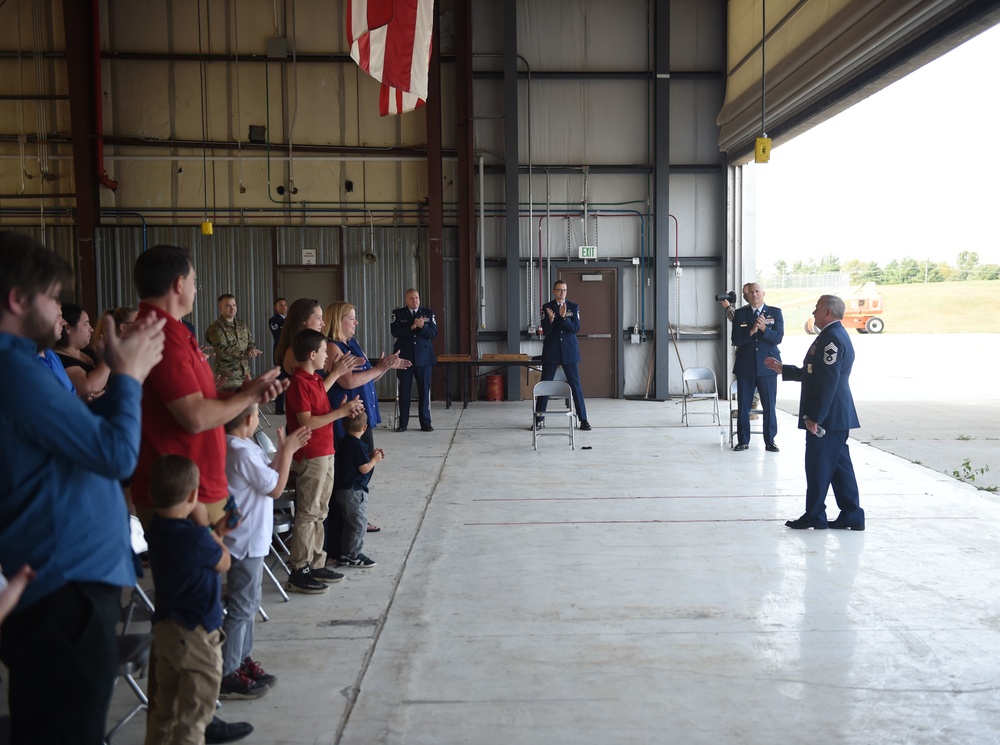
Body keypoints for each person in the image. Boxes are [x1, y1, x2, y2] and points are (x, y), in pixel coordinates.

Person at [0, 230, 166, 744]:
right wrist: (129, 375)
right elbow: (114, 452)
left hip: (63, 582)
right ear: (17, 300)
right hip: (61, 591)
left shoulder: (23, 366)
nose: (59, 312)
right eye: (51, 296)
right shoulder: (13, 371)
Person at [131, 244, 283, 744]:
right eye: (194, 280)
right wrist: (244, 397)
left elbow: (207, 403)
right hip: (182, 497)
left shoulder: (179, 335)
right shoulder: (164, 338)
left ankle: (194, 709)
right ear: (178, 284)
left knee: (202, 605)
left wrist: (248, 393)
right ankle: (190, 715)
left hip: (201, 490)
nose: (197, 288)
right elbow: (193, 416)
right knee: (193, 613)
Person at [144, 455, 239, 743]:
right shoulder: (194, 537)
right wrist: (209, 529)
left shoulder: (156, 531)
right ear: (194, 495)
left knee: (164, 710)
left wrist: (213, 532)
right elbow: (224, 562)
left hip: (166, 631)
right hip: (196, 632)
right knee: (194, 716)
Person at [221, 404, 310, 699]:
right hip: (245, 541)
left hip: (250, 538)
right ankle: (228, 671)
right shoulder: (240, 450)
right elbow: (274, 488)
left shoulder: (242, 445)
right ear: (248, 419)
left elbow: (267, 476)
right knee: (241, 607)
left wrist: (283, 455)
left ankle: (242, 660)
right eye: (257, 413)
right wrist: (286, 452)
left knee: (248, 603)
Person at [764, 295, 865, 531]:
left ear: (828, 312)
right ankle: (852, 514)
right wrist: (785, 370)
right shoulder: (832, 335)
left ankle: (815, 515)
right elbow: (815, 371)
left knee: (818, 465)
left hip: (828, 416)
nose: (813, 313)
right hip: (837, 414)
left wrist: (816, 417)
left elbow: (828, 381)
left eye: (817, 309)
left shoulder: (831, 338)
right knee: (840, 468)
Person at [323, 301, 409, 547]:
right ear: (338, 320)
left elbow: (366, 376)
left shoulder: (351, 344)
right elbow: (348, 382)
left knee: (365, 466)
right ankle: (349, 518)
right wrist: (379, 368)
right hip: (347, 420)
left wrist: (384, 368)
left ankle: (357, 514)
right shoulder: (332, 346)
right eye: (351, 318)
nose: (356, 322)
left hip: (361, 417)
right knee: (351, 473)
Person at [284, 328, 364, 593]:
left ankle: (316, 562)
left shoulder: (313, 379)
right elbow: (307, 421)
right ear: (311, 354)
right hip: (312, 454)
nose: (327, 358)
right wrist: (340, 412)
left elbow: (321, 391)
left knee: (321, 510)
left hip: (325, 451)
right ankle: (300, 568)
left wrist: (336, 376)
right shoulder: (298, 383)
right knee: (308, 513)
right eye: (323, 353)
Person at [731, 282, 783, 452]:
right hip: (746, 366)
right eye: (752, 292)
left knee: (769, 405)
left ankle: (770, 441)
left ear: (764, 293)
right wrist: (752, 331)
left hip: (768, 366)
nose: (755, 294)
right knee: (744, 405)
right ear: (747, 295)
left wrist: (764, 329)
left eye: (758, 291)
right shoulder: (740, 314)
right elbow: (736, 340)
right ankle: (743, 440)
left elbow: (778, 338)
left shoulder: (775, 312)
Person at [535, 279, 591, 430]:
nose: (562, 293)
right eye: (559, 290)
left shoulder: (573, 307)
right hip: (552, 350)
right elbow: (545, 331)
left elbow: (575, 328)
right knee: (545, 384)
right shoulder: (547, 307)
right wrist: (551, 321)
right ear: (554, 291)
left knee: (575, 385)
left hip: (569, 351)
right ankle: (538, 419)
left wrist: (564, 318)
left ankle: (583, 419)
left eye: (564, 290)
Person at [333, 411, 383, 568]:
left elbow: (352, 461)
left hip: (341, 490)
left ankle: (344, 552)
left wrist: (368, 456)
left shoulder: (342, 442)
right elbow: (363, 468)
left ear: (343, 425)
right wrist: (374, 460)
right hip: (354, 491)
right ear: (365, 427)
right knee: (358, 524)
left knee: (348, 523)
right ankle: (355, 554)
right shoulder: (359, 445)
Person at [390, 288, 437, 432]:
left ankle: (426, 423)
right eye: (411, 298)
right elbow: (395, 332)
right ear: (406, 300)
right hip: (405, 358)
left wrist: (422, 327)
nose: (414, 300)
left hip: (424, 359)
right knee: (404, 391)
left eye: (416, 298)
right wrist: (411, 327)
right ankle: (403, 423)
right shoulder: (398, 314)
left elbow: (434, 333)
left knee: (424, 391)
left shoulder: (428, 313)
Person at [55, 301, 112, 400]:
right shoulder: (59, 359)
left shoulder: (88, 353)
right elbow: (89, 388)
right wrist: (109, 355)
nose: (91, 329)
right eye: (86, 323)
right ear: (68, 328)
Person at [206, 293, 262, 391]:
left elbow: (250, 342)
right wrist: (246, 353)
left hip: (245, 373)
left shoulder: (241, 325)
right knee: (232, 405)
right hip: (228, 377)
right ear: (220, 308)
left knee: (249, 405)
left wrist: (252, 349)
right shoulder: (216, 328)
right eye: (228, 306)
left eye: (234, 305)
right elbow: (223, 352)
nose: (232, 309)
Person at [269, 298, 287, 413]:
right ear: (276, 307)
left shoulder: (290, 319)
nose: (283, 307)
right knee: (280, 380)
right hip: (280, 354)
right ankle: (279, 408)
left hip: (290, 353)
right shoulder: (274, 320)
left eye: (285, 304)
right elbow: (279, 334)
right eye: (280, 305)